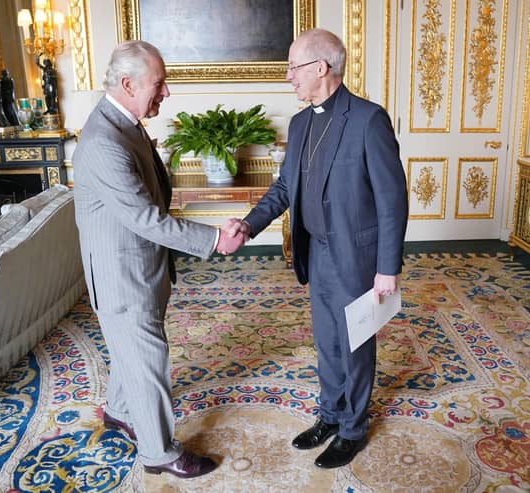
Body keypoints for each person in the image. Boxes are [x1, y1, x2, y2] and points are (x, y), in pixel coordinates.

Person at [224, 29, 408, 468]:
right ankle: (330, 415)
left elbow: (392, 198)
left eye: (293, 68)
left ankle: (353, 429)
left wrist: (388, 267)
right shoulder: (301, 122)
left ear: (321, 68)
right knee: (327, 342)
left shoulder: (368, 119)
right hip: (317, 253)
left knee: (355, 344)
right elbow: (286, 185)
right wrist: (248, 225)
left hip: (357, 258)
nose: (288, 77)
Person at [72, 40, 244, 478]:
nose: (165, 93)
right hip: (122, 276)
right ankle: (159, 452)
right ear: (128, 84)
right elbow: (146, 218)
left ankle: (118, 410)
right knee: (149, 362)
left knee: (132, 350)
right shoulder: (105, 140)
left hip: (136, 268)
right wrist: (213, 240)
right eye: (159, 83)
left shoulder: (124, 123)